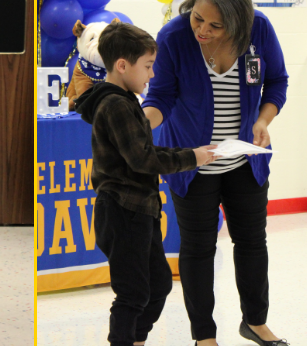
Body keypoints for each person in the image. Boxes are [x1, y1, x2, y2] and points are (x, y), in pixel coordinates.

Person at [143, 0, 289, 346]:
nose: (202, 30)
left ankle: (255, 322)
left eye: (215, 25)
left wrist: (262, 119)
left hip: (244, 161)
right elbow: (160, 97)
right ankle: (204, 336)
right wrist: (140, 123)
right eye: (197, 17)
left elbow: (276, 82)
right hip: (192, 164)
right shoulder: (174, 37)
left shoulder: (259, 31)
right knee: (198, 248)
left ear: (237, 23)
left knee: (252, 242)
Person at [74, 21, 215, 346]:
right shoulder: (115, 105)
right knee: (133, 293)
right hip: (123, 212)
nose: (152, 75)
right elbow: (143, 159)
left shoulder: (125, 101)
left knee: (159, 284)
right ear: (122, 66)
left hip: (140, 210)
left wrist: (194, 153)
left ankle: (135, 340)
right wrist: (192, 158)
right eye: (148, 67)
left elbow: (145, 151)